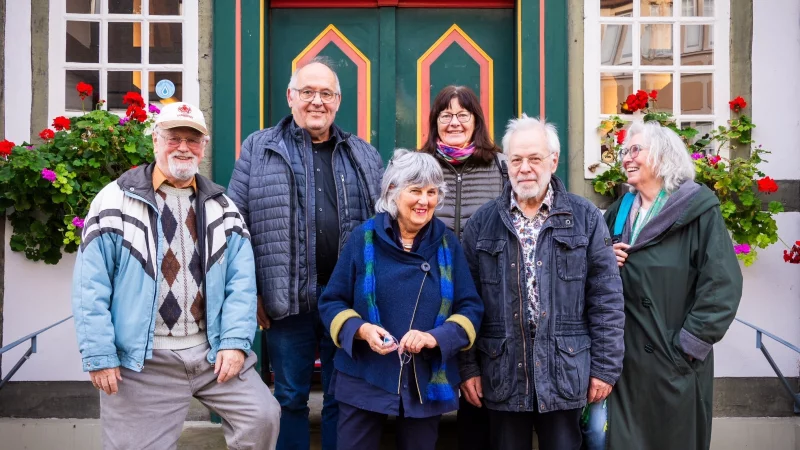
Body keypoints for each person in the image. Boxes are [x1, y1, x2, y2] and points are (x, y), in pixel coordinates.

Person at [72, 102, 280, 450]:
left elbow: (241, 284)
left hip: (211, 352)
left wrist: (234, 343)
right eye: (173, 137)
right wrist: (100, 354)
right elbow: (89, 286)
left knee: (262, 417)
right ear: (155, 140)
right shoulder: (114, 200)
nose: (183, 147)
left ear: (203, 147)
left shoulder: (223, 207)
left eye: (192, 139)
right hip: (143, 361)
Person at [227, 56, 384, 450]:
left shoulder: (362, 153)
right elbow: (235, 226)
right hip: (285, 302)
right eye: (308, 92)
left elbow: (383, 226)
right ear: (291, 97)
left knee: (342, 397)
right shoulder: (258, 148)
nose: (317, 101)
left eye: (326, 93)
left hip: (346, 304)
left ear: (338, 100)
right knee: (289, 398)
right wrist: (253, 294)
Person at [460, 115, 625, 450]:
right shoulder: (482, 222)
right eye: (516, 159)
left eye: (534, 158)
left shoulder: (585, 218)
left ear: (553, 160)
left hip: (565, 370)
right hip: (502, 373)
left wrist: (605, 369)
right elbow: (465, 303)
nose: (525, 168)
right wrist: (466, 368)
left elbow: (606, 298)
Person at [318, 149, 484, 450]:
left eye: (432, 192)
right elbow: (332, 302)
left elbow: (470, 309)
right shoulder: (363, 238)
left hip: (424, 378)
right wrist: (362, 330)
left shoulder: (448, 244)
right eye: (416, 190)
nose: (425, 201)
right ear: (393, 191)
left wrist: (435, 338)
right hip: (364, 376)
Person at [597, 121, 743, 450]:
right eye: (625, 151)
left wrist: (688, 348)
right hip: (625, 366)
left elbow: (722, 285)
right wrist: (604, 257)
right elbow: (590, 274)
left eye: (635, 150)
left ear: (663, 156)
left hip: (674, 365)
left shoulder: (698, 209)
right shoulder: (617, 213)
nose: (626, 158)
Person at [419, 85, 507, 240]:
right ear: (435, 122)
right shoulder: (416, 166)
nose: (454, 122)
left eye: (463, 115)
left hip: (482, 263)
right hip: (431, 263)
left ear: (476, 121)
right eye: (446, 116)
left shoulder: (502, 166)